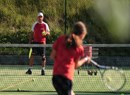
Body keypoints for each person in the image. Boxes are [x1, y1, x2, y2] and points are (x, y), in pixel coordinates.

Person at [50, 21, 92, 95]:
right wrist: (86, 59)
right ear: (82, 35)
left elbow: (52, 56)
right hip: (66, 79)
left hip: (55, 78)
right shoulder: (79, 48)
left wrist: (61, 62)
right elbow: (76, 65)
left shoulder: (60, 39)